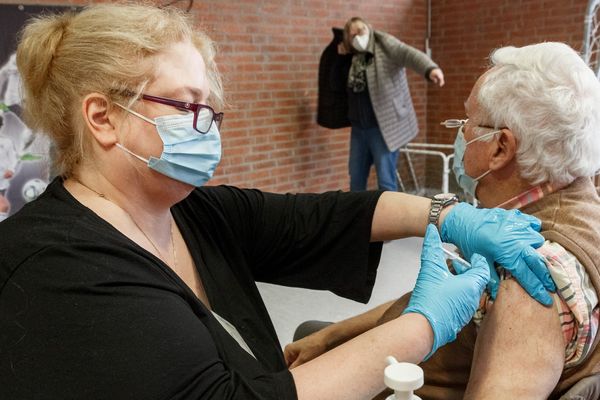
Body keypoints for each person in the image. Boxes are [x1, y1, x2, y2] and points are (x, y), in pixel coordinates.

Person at [0, 5, 556, 399]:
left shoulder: (190, 213)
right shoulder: (52, 271)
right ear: (102, 117)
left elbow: (318, 220)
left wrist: (446, 214)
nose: (207, 130)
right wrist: (421, 326)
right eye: (187, 107)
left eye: (210, 113)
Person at [285, 42, 600, 399]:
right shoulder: (574, 209)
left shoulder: (529, 280)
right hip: (410, 350)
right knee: (312, 334)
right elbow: (441, 297)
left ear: (500, 147)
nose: (461, 132)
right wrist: (333, 335)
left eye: (467, 121)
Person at [325, 17, 444, 192]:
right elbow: (334, 84)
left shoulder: (384, 45)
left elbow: (408, 54)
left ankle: (388, 219)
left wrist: (430, 68)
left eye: (360, 31)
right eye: (352, 36)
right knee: (356, 180)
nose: (357, 37)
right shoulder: (351, 57)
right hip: (358, 129)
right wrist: (339, 58)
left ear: (369, 28)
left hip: (383, 129)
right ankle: (357, 218)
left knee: (386, 182)